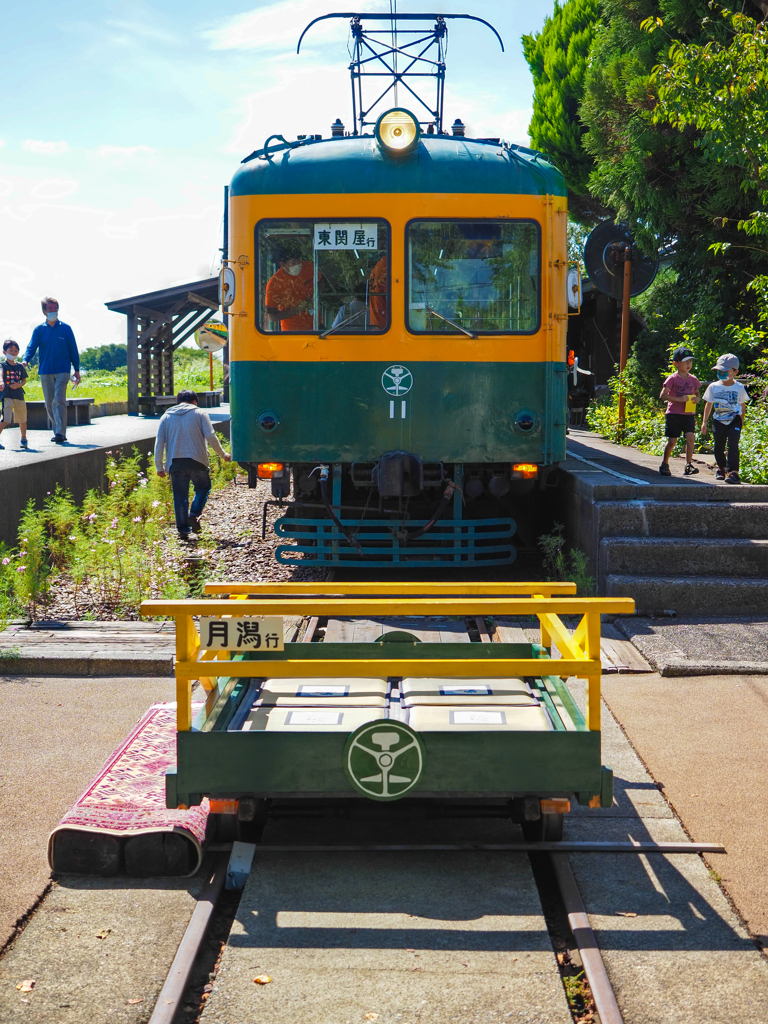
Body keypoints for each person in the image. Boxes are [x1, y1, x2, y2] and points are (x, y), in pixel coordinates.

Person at [154, 390, 231, 541]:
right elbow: (210, 436)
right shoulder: (200, 414)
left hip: (175, 463)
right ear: (194, 401)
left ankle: (183, 531)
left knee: (180, 497)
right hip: (198, 460)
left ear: (179, 401)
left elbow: (159, 443)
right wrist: (223, 454)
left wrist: (159, 466)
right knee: (203, 488)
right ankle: (194, 514)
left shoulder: (166, 416)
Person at [23, 296, 80, 443]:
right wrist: (25, 361)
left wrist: (77, 370)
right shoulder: (39, 330)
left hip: (63, 370)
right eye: (50, 309)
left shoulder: (66, 329)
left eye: (55, 309)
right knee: (49, 402)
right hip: (45, 370)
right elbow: (31, 347)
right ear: (44, 311)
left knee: (59, 400)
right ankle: (57, 431)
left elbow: (73, 349)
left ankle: (60, 432)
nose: (53, 311)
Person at [701, 353, 748, 485]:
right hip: (718, 420)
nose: (721, 373)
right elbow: (708, 404)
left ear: (735, 372)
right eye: (719, 370)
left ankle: (733, 472)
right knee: (718, 446)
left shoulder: (739, 387)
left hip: (734, 420)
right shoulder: (713, 387)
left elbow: (742, 405)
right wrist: (704, 422)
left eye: (725, 371)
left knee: (733, 445)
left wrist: (741, 421)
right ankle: (721, 469)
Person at [659, 345, 701, 477]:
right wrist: (679, 399)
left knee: (690, 437)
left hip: (688, 414)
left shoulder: (693, 379)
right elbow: (663, 395)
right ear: (676, 364)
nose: (689, 364)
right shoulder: (672, 378)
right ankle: (665, 463)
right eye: (685, 362)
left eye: (690, 361)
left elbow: (697, 393)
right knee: (672, 440)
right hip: (673, 414)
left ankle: (688, 465)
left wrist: (697, 399)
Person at [264, 248, 316, 331]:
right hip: (291, 330)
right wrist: (298, 309)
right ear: (282, 264)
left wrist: (314, 298)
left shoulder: (309, 266)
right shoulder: (274, 284)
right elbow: (272, 317)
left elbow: (321, 284)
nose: (298, 264)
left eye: (299, 260)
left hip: (316, 324)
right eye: (293, 262)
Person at [0, 340, 29, 449]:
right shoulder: (2, 365)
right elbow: (0, 373)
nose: (13, 353)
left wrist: (18, 385)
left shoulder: (20, 366)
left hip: (19, 395)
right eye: (10, 350)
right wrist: (1, 382)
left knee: (22, 418)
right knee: (5, 418)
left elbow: (24, 380)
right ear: (4, 352)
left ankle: (23, 438)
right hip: (6, 395)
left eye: (16, 351)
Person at [369, 255, 388, 329]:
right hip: (386, 327)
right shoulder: (387, 268)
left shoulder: (378, 267)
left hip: (377, 325)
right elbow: (393, 302)